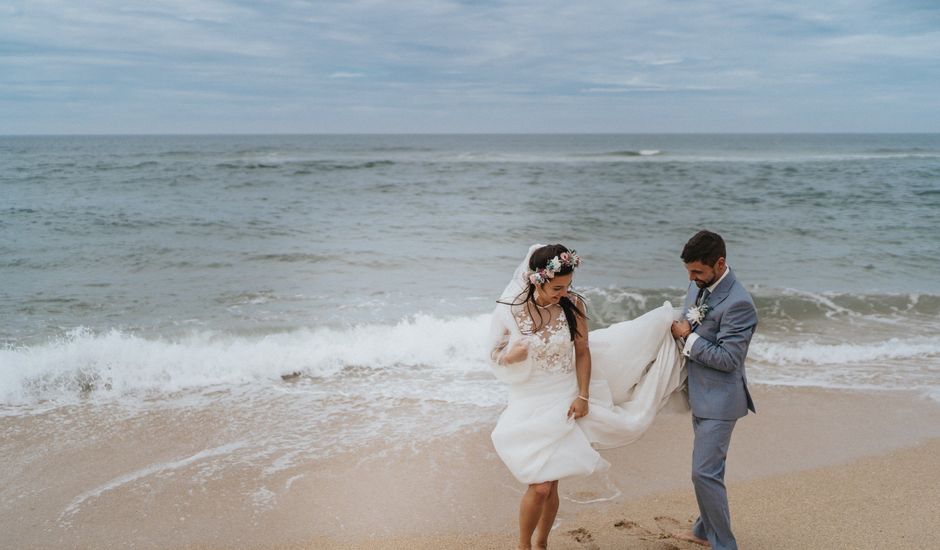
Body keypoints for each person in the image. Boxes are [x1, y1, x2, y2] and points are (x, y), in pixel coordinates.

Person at [488, 243, 687, 550]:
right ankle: (524, 545)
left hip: (565, 393)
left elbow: (582, 351)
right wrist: (510, 357)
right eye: (557, 287)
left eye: (568, 286)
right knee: (540, 486)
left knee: (550, 479)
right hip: (529, 398)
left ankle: (540, 543)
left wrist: (582, 395)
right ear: (537, 280)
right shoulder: (513, 309)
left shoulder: (573, 304)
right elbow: (495, 353)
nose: (564, 292)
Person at [670, 230, 758, 550]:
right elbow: (688, 317)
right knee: (709, 471)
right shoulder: (701, 284)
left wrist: (688, 338)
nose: (692, 279)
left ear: (719, 264)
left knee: (703, 474)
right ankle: (703, 530)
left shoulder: (740, 304)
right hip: (699, 394)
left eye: (698, 272)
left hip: (722, 401)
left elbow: (729, 359)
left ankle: (724, 544)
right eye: (689, 272)